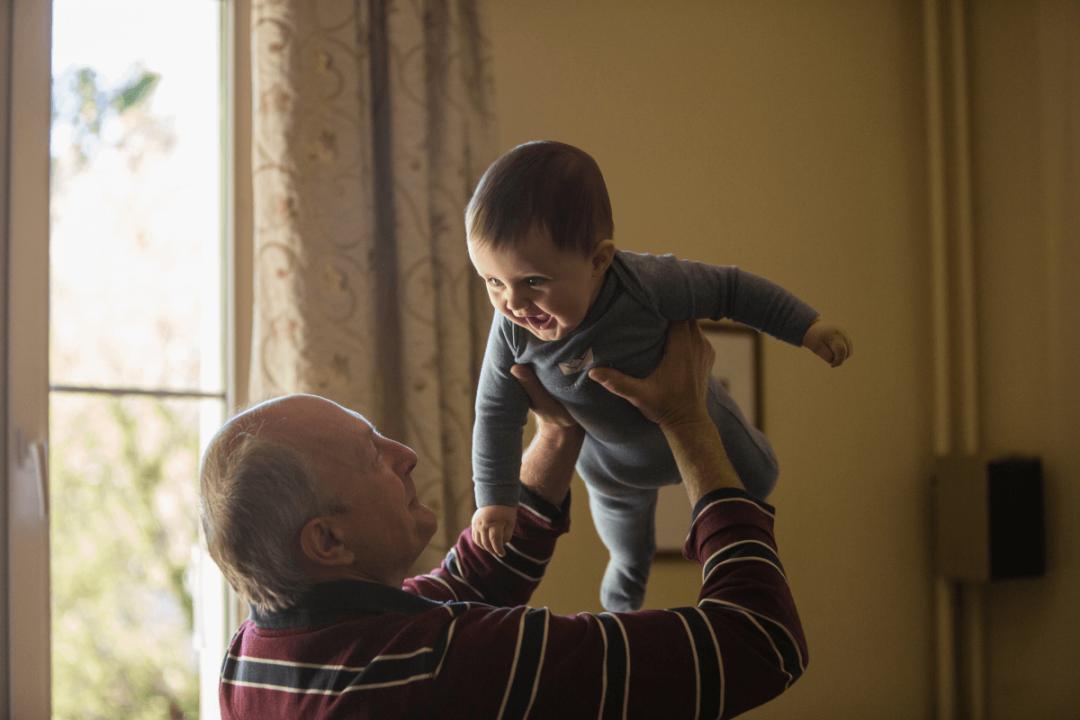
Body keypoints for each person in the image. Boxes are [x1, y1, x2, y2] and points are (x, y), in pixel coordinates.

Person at [200, 321, 808, 719]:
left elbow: (466, 583)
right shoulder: (446, 667)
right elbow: (759, 642)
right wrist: (688, 422)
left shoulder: (254, 656)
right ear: (328, 540)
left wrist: (558, 432)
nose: (405, 455)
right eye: (373, 456)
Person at [468, 140, 852, 611]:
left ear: (598, 261)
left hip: (700, 420)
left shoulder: (647, 284)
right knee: (627, 546)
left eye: (533, 282)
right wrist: (494, 499)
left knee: (760, 477)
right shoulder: (511, 331)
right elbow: (495, 412)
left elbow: (732, 290)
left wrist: (807, 327)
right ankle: (624, 595)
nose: (513, 303)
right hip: (612, 467)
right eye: (492, 282)